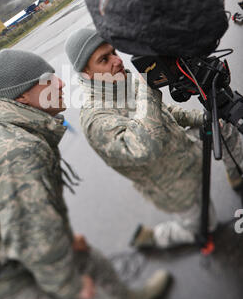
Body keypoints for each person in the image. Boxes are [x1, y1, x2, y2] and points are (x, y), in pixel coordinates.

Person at [0, 49, 170, 299]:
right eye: (48, 79)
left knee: (88, 259)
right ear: (23, 96)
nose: (61, 83)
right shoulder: (17, 154)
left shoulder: (11, 127)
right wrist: (69, 286)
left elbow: (28, 218)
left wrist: (64, 240)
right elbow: (34, 239)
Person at [65, 27, 243, 249]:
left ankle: (236, 173)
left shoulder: (122, 81)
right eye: (104, 59)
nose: (117, 61)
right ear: (86, 74)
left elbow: (164, 111)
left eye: (114, 53)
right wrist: (149, 89)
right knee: (206, 227)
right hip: (172, 185)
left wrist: (202, 118)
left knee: (222, 127)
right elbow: (143, 148)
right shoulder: (96, 118)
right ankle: (154, 237)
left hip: (183, 149)